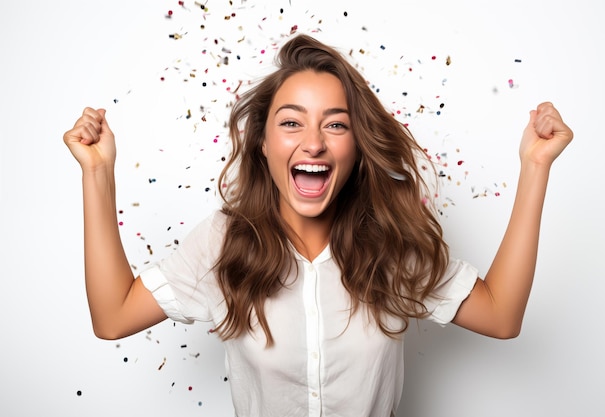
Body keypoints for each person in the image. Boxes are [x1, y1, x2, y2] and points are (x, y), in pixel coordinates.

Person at [63, 34, 573, 416]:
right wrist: (98, 172)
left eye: (335, 123)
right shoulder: (223, 242)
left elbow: (502, 316)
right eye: (291, 122)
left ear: (356, 146)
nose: (313, 142)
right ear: (263, 143)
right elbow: (112, 318)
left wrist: (535, 166)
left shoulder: (390, 244)